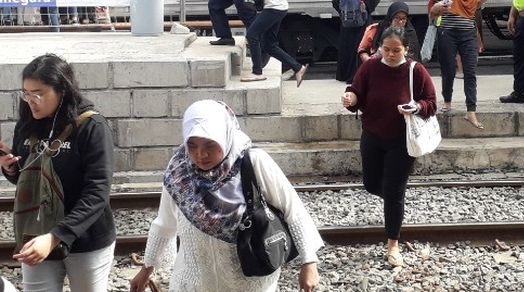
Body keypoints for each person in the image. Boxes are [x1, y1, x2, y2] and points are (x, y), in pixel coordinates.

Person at [129, 100, 322, 292]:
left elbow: (293, 210)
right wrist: (147, 269)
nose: (200, 154)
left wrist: (309, 262)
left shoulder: (254, 161)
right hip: (192, 283)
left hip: (248, 285)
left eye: (210, 144)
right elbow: (165, 224)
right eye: (192, 145)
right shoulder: (179, 172)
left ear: (224, 135)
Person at [0, 54, 115, 292]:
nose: (31, 101)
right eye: (26, 93)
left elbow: (97, 193)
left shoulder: (91, 126)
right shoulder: (28, 122)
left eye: (39, 93)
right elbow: (28, 178)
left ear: (62, 90)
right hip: (36, 234)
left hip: (86, 240)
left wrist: (56, 237)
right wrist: (10, 167)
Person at [341, 27, 436, 268]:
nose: (391, 54)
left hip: (402, 141)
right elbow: (356, 90)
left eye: (396, 50)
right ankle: (395, 201)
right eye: (386, 49)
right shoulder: (371, 66)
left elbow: (431, 103)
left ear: (406, 49)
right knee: (371, 184)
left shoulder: (416, 70)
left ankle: (392, 243)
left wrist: (416, 108)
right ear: (378, 48)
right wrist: (350, 98)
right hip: (372, 135)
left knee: (393, 193)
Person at [429, 0, 490, 129]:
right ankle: (447, 101)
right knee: (448, 70)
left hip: (468, 32)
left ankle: (471, 110)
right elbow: (432, 8)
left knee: (470, 72)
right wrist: (437, 8)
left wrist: (482, 1)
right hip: (447, 32)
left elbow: (473, 7)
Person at [332, 0, 380, 83]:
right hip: (362, 22)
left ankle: (343, 74)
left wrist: (345, 12)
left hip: (346, 22)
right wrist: (365, 11)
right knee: (362, 46)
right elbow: (374, 0)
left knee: (346, 47)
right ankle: (359, 75)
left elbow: (335, 2)